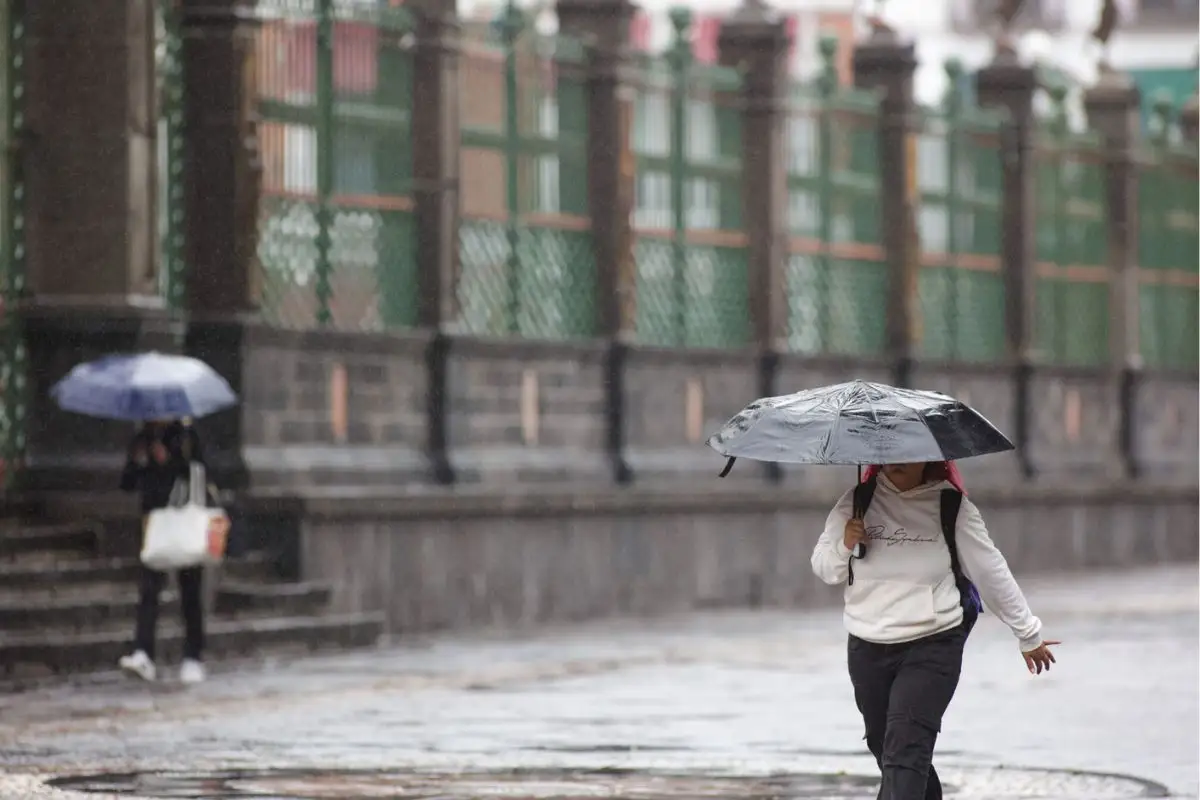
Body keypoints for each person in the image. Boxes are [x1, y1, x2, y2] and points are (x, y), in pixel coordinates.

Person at [811, 461, 1059, 800]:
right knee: (883, 744)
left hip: (931, 644)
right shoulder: (858, 500)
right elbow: (824, 568)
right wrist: (844, 543)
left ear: (928, 455)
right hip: (867, 645)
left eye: (906, 451)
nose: (895, 460)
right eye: (888, 450)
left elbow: (990, 570)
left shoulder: (951, 506)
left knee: (905, 749)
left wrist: (1027, 633)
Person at [118, 418, 208, 685]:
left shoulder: (187, 436)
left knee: (190, 590)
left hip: (183, 520)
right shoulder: (142, 438)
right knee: (148, 591)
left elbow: (198, 473)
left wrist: (168, 460)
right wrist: (139, 461)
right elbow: (127, 483)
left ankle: (193, 655)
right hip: (154, 523)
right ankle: (143, 652)